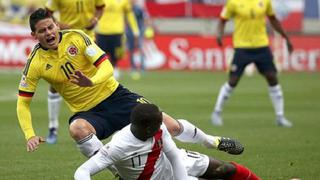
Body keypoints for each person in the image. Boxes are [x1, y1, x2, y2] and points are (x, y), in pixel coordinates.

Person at [17, 8, 243, 165]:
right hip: (88, 113)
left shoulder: (77, 37)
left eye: (50, 28)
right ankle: (117, 171)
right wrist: (30, 135)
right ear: (34, 35)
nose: (48, 33)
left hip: (116, 96)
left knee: (170, 127)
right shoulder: (34, 63)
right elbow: (23, 103)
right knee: (77, 129)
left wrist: (92, 80)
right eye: (42, 31)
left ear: (56, 25)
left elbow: (107, 67)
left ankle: (212, 141)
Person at [74, 104, 260, 180]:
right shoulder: (118, 147)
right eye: (158, 124)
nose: (163, 126)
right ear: (146, 128)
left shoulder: (158, 129)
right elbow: (82, 171)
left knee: (227, 169)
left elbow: (173, 155)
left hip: (171, 163)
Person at [211, 0, 293, 127]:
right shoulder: (233, 2)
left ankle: (280, 117)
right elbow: (222, 19)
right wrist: (219, 34)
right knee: (233, 80)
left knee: (272, 78)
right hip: (242, 47)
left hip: (262, 46)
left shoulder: (265, 1)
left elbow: (273, 19)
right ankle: (217, 112)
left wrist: (286, 37)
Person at [44, 0, 105, 144]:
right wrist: (57, 23)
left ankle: (99, 121)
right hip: (64, 38)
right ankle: (53, 127)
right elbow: (47, 13)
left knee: (97, 77)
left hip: (88, 37)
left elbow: (101, 7)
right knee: (55, 83)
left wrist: (96, 19)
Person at [96, 0, 140, 80]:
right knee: (101, 55)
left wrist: (135, 30)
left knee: (116, 55)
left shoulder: (124, 1)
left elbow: (130, 15)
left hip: (117, 32)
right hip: (102, 31)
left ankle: (115, 70)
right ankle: (103, 72)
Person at [125, 0, 150, 80]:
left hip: (139, 31)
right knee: (131, 49)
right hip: (129, 32)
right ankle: (133, 67)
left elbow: (145, 19)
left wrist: (144, 29)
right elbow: (125, 21)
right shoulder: (126, 9)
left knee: (140, 48)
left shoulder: (139, 9)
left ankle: (142, 67)